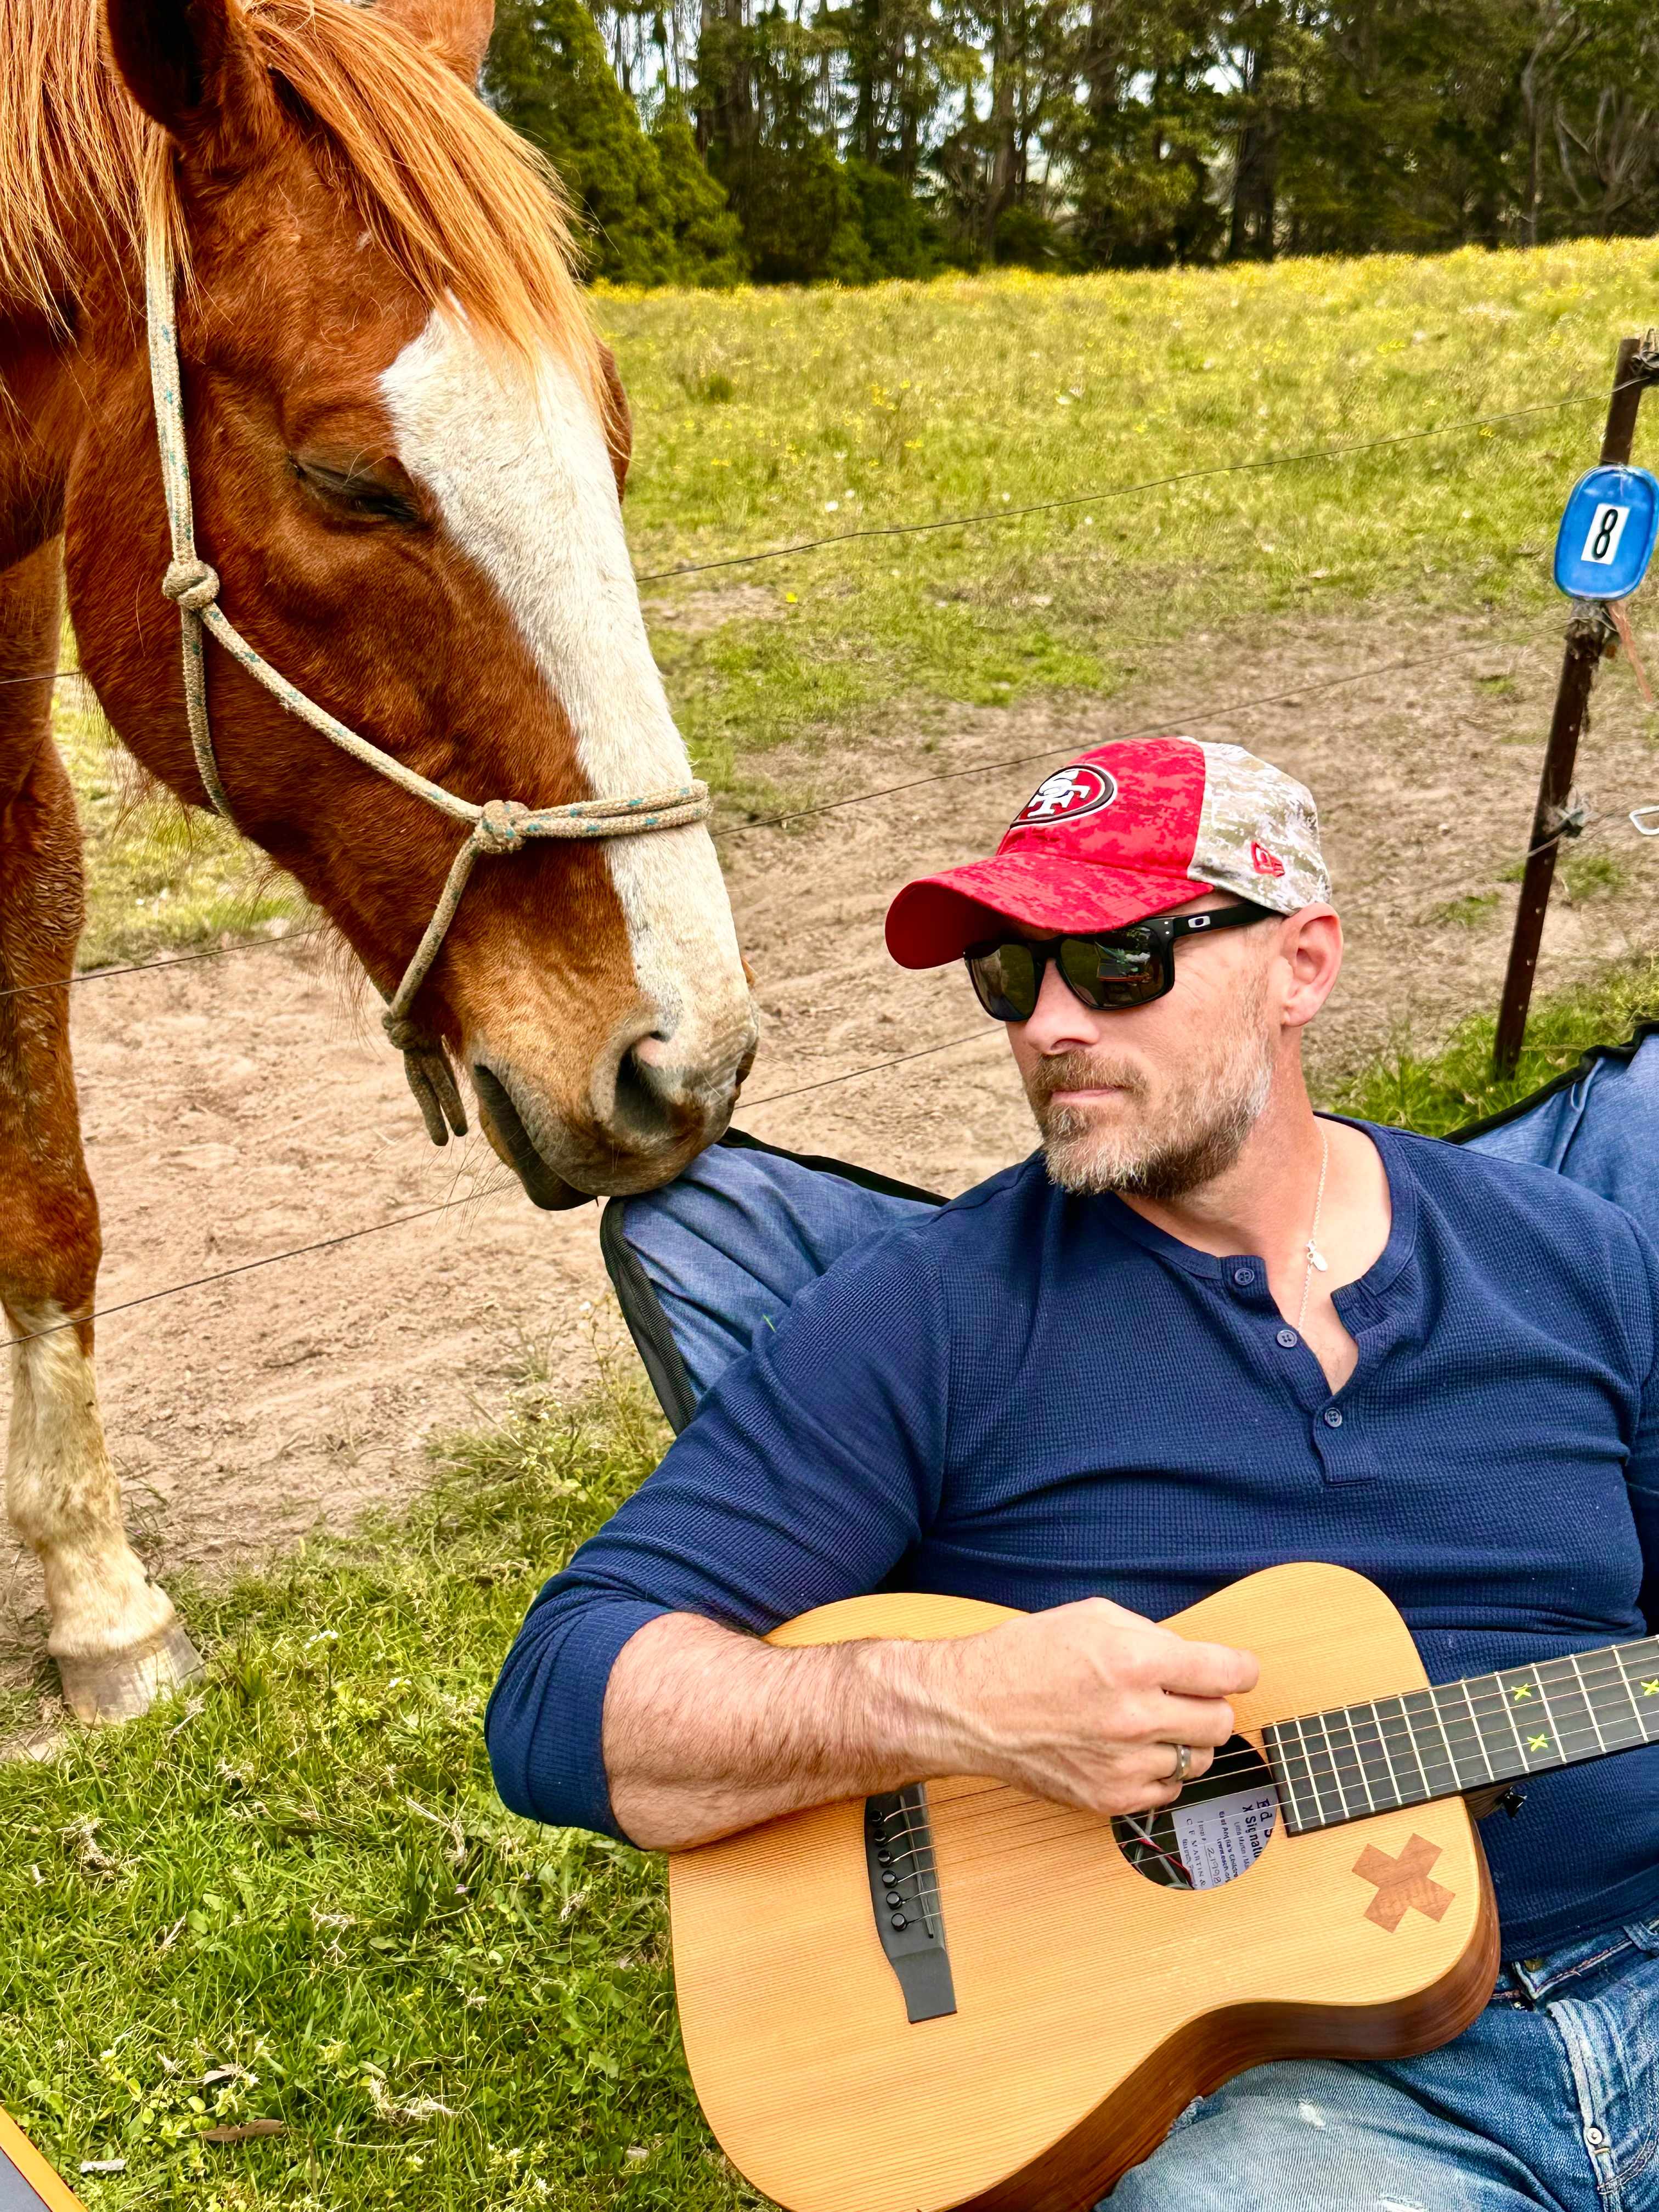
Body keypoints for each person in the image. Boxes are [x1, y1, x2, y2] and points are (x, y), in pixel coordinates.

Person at [488, 736, 1659, 2210]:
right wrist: (951, 1703)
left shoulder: (1577, 1260)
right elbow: (559, 1702)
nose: (1045, 1024)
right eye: (1008, 973)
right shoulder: (932, 1319)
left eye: (1116, 963)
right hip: (1289, 2097)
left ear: (1302, 964)